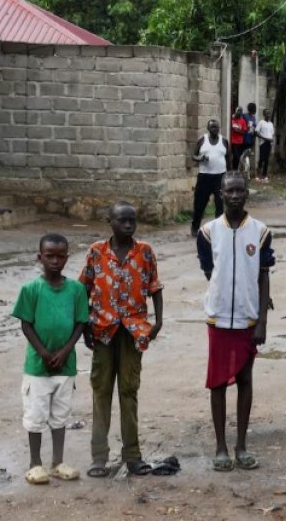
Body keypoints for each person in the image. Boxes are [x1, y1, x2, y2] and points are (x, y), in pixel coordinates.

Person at [197, 171, 274, 472]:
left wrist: (262, 320)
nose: (235, 196)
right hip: (217, 317)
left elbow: (264, 273)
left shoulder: (261, 231)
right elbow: (209, 271)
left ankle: (242, 445)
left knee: (244, 379)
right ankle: (221, 447)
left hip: (248, 316)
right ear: (220, 193)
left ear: (247, 193)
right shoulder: (208, 232)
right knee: (217, 382)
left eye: (240, 190)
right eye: (230, 191)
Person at [79, 202, 164, 478]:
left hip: (133, 332)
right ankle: (99, 457)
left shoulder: (145, 252)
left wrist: (158, 321)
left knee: (129, 391)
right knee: (101, 391)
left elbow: (155, 287)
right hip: (102, 331)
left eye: (132, 221)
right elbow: (83, 288)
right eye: (122, 221)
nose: (128, 225)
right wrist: (83, 327)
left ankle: (133, 455)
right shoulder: (96, 252)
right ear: (110, 222)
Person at [12, 233, 89, 485]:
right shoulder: (31, 289)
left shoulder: (76, 290)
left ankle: (58, 462)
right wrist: (44, 352)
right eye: (49, 256)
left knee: (60, 414)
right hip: (38, 366)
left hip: (65, 366)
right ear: (39, 257)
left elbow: (80, 323)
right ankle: (35, 464)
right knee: (35, 415)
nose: (55, 261)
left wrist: (66, 350)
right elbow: (26, 324)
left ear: (67, 257)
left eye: (60, 256)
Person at [191, 120, 230, 237]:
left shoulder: (224, 141)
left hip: (220, 177)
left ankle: (219, 228)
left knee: (220, 203)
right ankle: (195, 227)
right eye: (212, 127)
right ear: (208, 128)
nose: (215, 129)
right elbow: (193, 156)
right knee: (200, 204)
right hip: (205, 177)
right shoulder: (202, 140)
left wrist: (229, 174)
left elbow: (228, 158)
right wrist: (200, 158)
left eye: (216, 127)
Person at [254, 109, 274, 183]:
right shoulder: (261, 123)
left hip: (269, 143)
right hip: (263, 143)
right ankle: (258, 175)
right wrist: (264, 138)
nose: (268, 114)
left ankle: (265, 175)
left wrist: (271, 140)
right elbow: (256, 132)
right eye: (267, 113)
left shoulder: (271, 124)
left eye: (269, 113)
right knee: (261, 159)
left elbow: (272, 134)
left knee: (266, 160)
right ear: (264, 114)